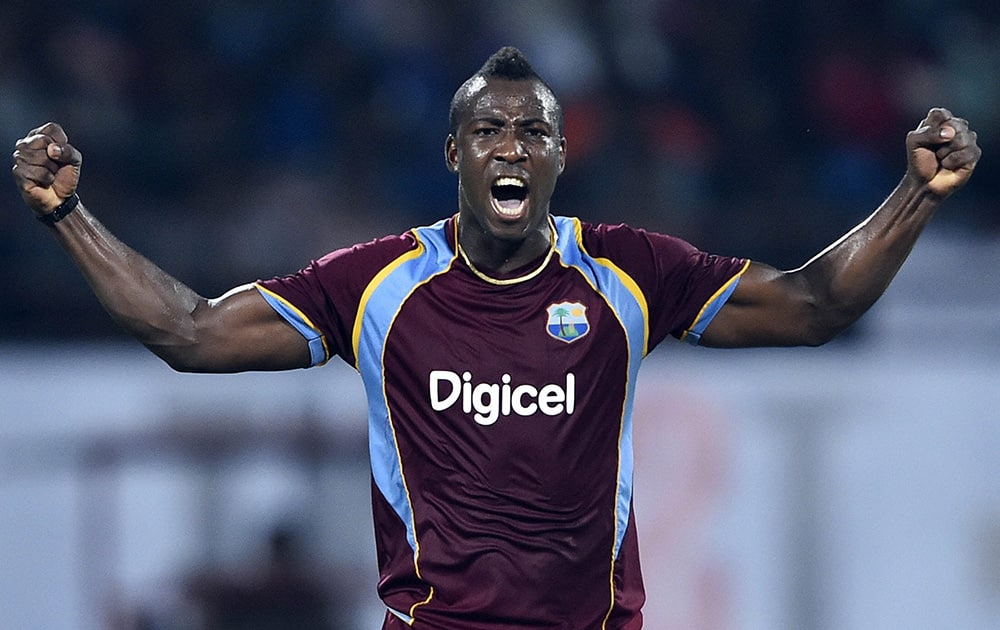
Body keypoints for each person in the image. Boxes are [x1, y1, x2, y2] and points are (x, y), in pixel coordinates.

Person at [11, 46, 980, 629]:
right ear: (453, 154)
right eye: (488, 130)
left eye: (531, 130)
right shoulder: (378, 286)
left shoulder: (626, 273)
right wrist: (69, 218)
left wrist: (916, 194)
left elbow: (814, 305)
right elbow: (189, 332)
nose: (510, 145)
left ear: (561, 153)